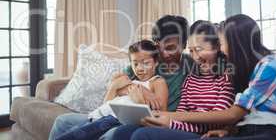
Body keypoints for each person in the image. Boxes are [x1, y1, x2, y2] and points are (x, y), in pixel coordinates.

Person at [134, 14, 276, 140]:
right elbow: (239, 116)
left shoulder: (251, 69)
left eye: (221, 44)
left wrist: (169, 118)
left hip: (271, 129)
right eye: (191, 51)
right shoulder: (195, 73)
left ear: (236, 44)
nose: (221, 49)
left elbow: (232, 114)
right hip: (244, 128)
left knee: (143, 135)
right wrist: (229, 129)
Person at [49, 15, 196, 140]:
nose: (163, 53)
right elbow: (117, 86)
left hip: (150, 122)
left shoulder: (192, 66)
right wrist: (139, 90)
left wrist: (134, 91)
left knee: (112, 134)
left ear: (184, 45)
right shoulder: (147, 60)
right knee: (62, 121)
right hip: (119, 115)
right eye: (159, 47)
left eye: (170, 48)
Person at [108, 20, 236, 140]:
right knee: (121, 132)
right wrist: (139, 89)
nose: (195, 57)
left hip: (195, 131)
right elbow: (119, 81)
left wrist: (171, 123)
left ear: (217, 47)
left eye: (198, 49)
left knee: (141, 135)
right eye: (191, 51)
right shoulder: (191, 78)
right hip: (177, 125)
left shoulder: (224, 77)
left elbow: (217, 118)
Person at [53, 40, 168, 140]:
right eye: (135, 63)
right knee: (62, 121)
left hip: (116, 121)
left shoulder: (157, 82)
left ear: (156, 62)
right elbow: (106, 104)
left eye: (146, 63)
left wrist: (140, 100)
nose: (139, 68)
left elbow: (161, 115)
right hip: (100, 115)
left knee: (75, 135)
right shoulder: (127, 80)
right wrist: (116, 87)